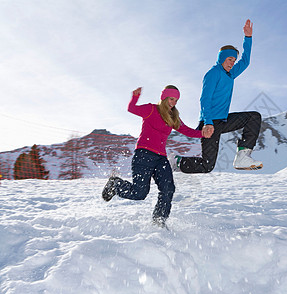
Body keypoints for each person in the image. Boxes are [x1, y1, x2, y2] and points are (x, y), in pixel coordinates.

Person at [102, 85, 205, 227]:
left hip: (161, 158)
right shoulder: (151, 109)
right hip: (144, 154)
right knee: (140, 193)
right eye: (171, 99)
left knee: (168, 189)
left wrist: (202, 133)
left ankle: (159, 220)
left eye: (176, 100)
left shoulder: (173, 117)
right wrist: (135, 97)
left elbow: (187, 130)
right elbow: (132, 109)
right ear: (164, 98)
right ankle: (115, 184)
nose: (174, 102)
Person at [170, 19, 263, 173]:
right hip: (210, 123)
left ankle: (243, 155)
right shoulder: (213, 74)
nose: (232, 63)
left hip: (223, 120)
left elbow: (245, 61)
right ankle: (178, 162)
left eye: (234, 60)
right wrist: (207, 122)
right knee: (207, 165)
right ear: (222, 58)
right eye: (229, 59)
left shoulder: (230, 74)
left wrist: (248, 38)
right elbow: (205, 99)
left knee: (254, 117)